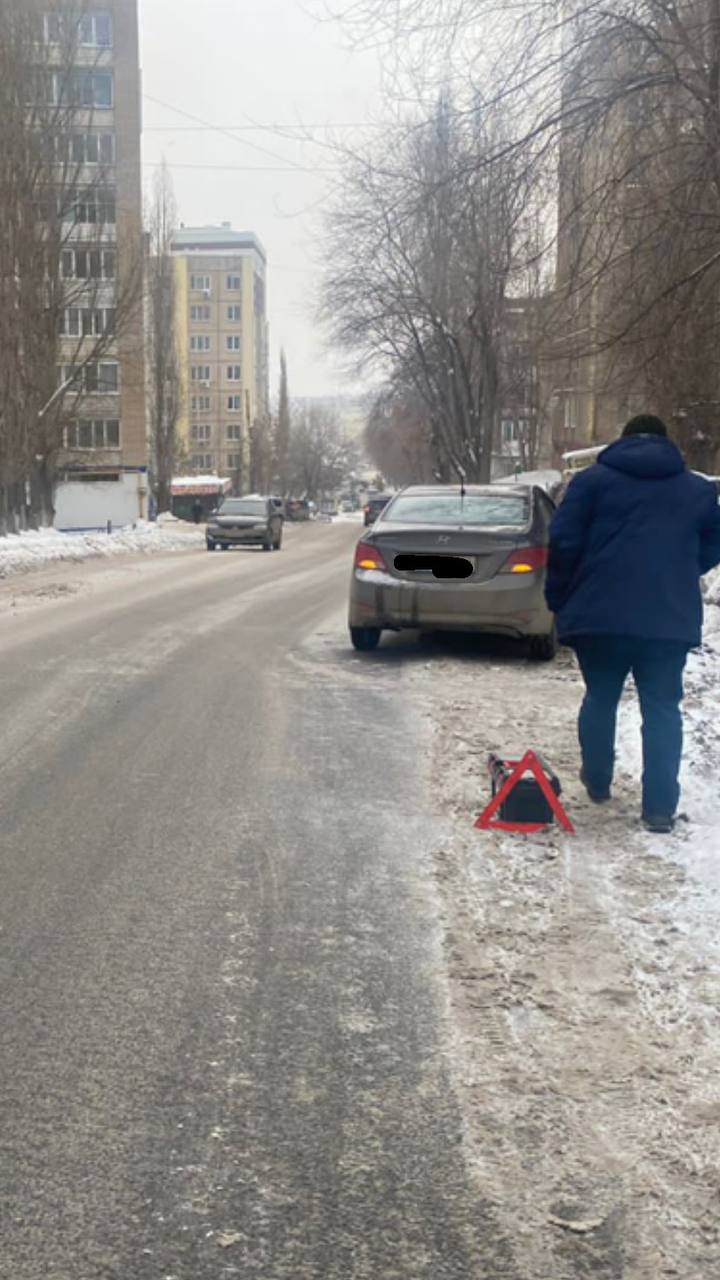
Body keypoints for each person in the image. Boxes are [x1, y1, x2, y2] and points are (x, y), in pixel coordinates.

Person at [546, 414, 720, 833]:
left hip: (600, 615)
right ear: (667, 443)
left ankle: (598, 779)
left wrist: (559, 596)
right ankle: (659, 810)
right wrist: (682, 569)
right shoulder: (697, 490)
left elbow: (564, 540)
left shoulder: (590, 482)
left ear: (622, 441)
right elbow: (714, 542)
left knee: (600, 697)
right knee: (662, 710)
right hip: (667, 618)